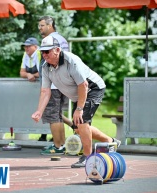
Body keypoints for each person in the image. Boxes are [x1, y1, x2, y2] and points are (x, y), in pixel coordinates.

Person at [32, 36, 121, 168]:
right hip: (79, 94)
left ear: (57, 50)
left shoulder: (71, 61)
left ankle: (87, 156)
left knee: (81, 121)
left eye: (47, 51)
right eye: (42, 52)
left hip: (92, 88)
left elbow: (83, 85)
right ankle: (110, 141)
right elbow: (45, 91)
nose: (44, 55)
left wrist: (79, 109)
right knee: (78, 128)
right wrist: (39, 111)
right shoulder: (45, 67)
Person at [37, 15, 74, 155]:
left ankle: (57, 147)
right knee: (58, 115)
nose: (40, 28)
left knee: (53, 116)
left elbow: (47, 62)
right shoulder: (62, 39)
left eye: (42, 25)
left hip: (53, 84)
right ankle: (62, 145)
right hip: (62, 83)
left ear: (50, 25)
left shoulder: (49, 40)